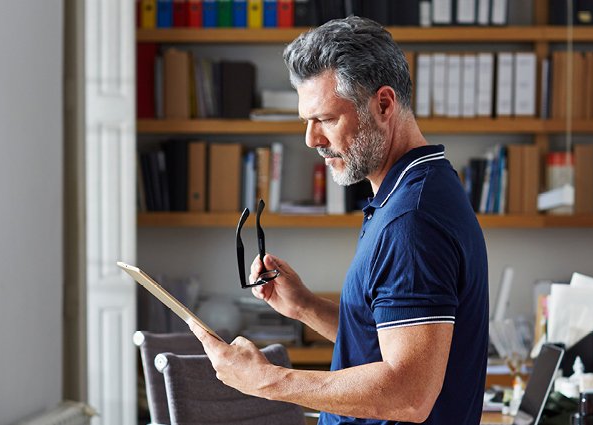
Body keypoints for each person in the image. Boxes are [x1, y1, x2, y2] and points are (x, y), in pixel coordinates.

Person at [188, 16, 489, 425]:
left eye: (326, 119)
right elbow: (384, 344)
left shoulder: (412, 222)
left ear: (384, 105)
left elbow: (408, 393)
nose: (311, 139)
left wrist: (263, 380)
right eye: (306, 121)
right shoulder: (414, 190)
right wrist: (307, 307)